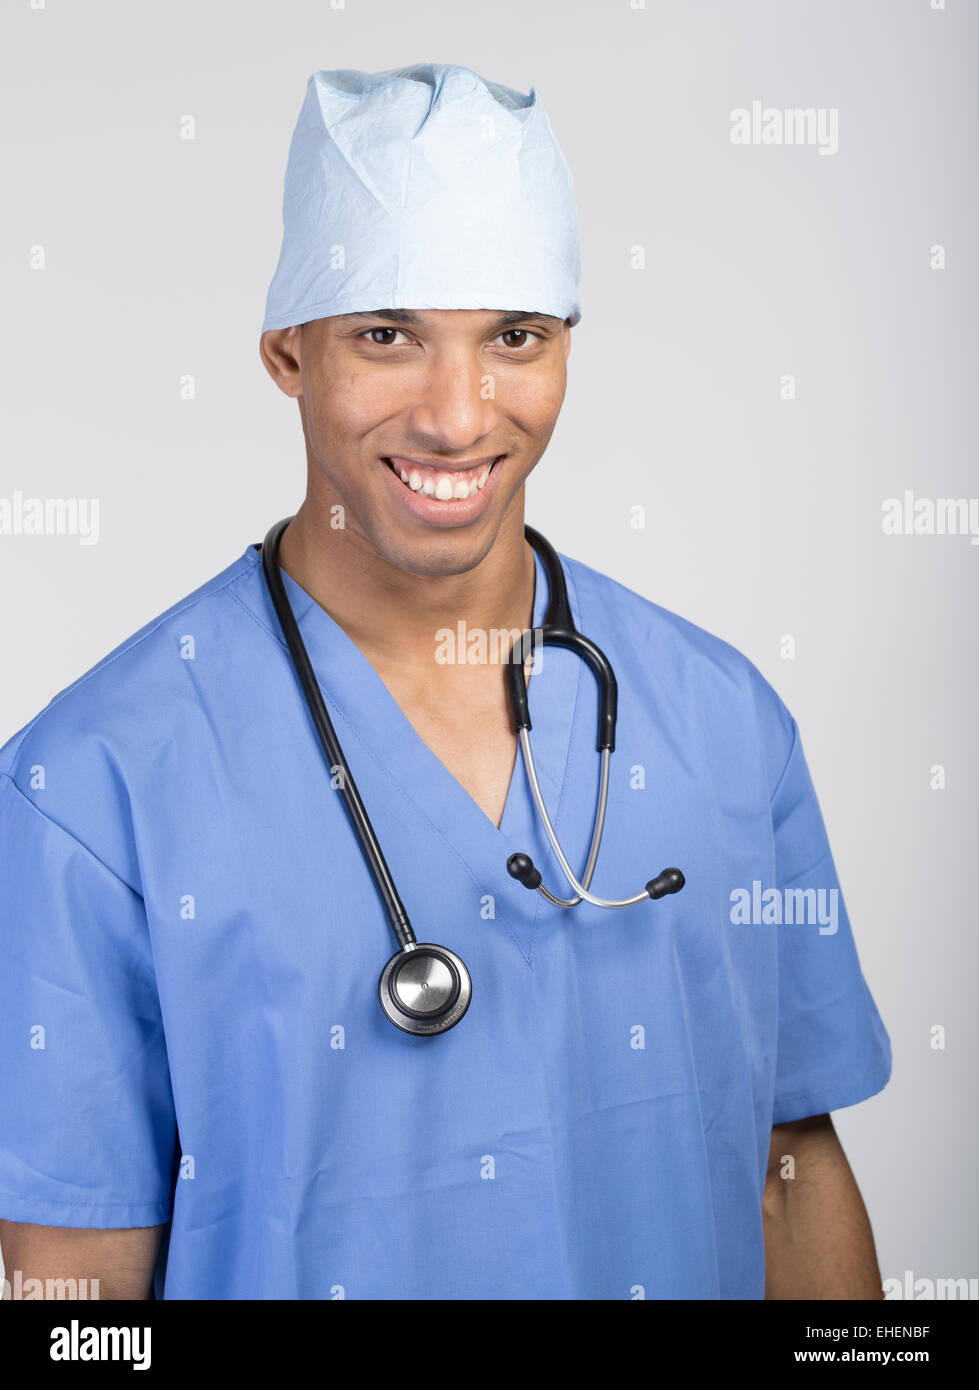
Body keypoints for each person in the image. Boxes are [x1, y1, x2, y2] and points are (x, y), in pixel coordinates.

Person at [0, 62, 891, 1301]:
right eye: (386, 334)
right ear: (285, 355)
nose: (457, 414)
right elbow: (75, 1285)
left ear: (566, 349)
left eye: (512, 336)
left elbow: (788, 1169)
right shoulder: (92, 782)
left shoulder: (724, 722)